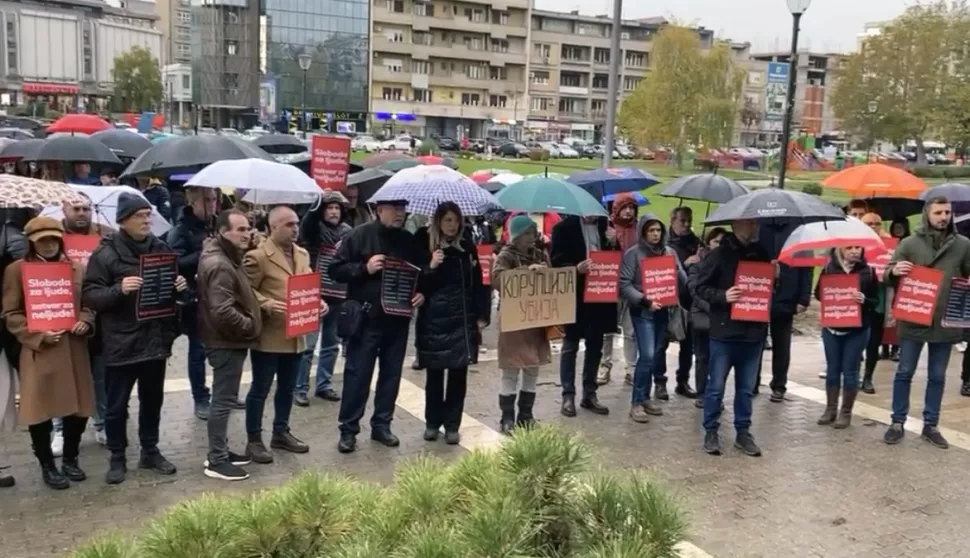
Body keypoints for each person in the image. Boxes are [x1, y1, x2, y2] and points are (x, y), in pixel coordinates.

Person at [82, 193, 187, 484]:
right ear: (123, 221)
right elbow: (90, 295)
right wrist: (119, 289)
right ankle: (117, 457)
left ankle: (150, 451)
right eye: (139, 215)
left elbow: (171, 287)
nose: (146, 220)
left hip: (155, 338)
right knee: (116, 406)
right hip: (121, 341)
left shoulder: (160, 247)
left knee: (152, 400)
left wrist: (179, 285)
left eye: (148, 215)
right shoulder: (105, 254)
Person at [2, 217, 95, 489]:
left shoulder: (76, 268)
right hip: (40, 350)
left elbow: (88, 304)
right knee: (39, 409)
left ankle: (71, 459)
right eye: (43, 240)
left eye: (54, 239)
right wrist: (38, 334)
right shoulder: (16, 270)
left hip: (73, 347)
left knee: (78, 408)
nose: (50, 244)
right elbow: (11, 314)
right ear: (31, 243)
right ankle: (47, 465)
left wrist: (85, 321)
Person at [329, 199, 426, 453]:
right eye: (395, 209)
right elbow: (335, 270)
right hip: (366, 318)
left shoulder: (409, 240)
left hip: (398, 319)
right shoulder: (359, 235)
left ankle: (382, 424)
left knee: (391, 374)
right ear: (380, 210)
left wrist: (421, 293)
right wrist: (365, 268)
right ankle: (348, 429)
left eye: (403, 209)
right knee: (358, 374)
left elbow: (422, 272)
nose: (400, 214)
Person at [882, 196, 970, 449]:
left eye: (947, 212)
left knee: (937, 376)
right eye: (939, 212)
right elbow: (888, 273)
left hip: (945, 321)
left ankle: (931, 424)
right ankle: (897, 422)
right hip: (914, 317)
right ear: (927, 214)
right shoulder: (910, 243)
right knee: (904, 372)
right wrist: (895, 272)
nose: (944, 217)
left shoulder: (963, 244)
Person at [242, 206, 315, 462]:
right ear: (273, 227)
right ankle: (253, 439)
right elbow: (244, 290)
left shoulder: (303, 254)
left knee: (287, 388)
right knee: (260, 388)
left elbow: (306, 284)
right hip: (269, 337)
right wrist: (265, 303)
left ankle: (280, 432)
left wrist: (318, 301)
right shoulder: (258, 257)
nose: (295, 229)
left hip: (297, 333)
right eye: (289, 224)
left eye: (296, 224)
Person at [694, 218, 772, 457]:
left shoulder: (762, 254)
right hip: (725, 332)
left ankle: (743, 432)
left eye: (757, 225)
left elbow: (766, 291)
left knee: (746, 389)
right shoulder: (719, 255)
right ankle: (710, 430)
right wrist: (723, 296)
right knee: (716, 387)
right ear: (738, 226)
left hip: (753, 333)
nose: (756, 228)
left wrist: (773, 277)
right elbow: (700, 287)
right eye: (752, 224)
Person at [414, 202, 489, 444]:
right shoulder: (423, 242)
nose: (452, 225)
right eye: (447, 220)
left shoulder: (467, 246)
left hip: (462, 319)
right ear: (438, 221)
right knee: (435, 374)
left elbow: (478, 282)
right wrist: (431, 266)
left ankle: (453, 424)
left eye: (455, 221)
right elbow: (415, 283)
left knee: (458, 374)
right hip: (434, 319)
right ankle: (432, 422)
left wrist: (481, 315)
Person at [197, 210, 263, 481]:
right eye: (240, 229)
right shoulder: (220, 264)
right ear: (223, 232)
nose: (247, 233)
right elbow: (222, 310)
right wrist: (250, 325)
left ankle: (220, 450)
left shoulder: (224, 256)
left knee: (223, 399)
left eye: (248, 228)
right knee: (222, 401)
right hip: (225, 342)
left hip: (225, 340)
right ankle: (217, 460)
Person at [619, 214, 686, 423]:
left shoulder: (670, 252)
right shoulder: (633, 254)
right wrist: (645, 300)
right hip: (643, 311)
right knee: (646, 355)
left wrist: (676, 270)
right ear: (643, 232)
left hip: (663, 311)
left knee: (655, 355)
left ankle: (645, 397)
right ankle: (636, 403)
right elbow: (624, 284)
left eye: (658, 230)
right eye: (651, 230)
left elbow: (682, 280)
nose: (655, 234)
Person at [551, 213, 617, 418]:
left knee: (595, 346)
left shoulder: (606, 227)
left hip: (600, 294)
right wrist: (575, 269)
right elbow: (555, 263)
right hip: (575, 295)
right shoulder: (563, 228)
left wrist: (614, 243)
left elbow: (615, 260)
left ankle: (590, 393)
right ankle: (568, 394)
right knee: (570, 346)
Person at [167, 186, 224, 420]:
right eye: (207, 200)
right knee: (198, 350)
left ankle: (223, 394)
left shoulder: (215, 225)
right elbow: (174, 263)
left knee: (222, 347)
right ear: (193, 202)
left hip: (217, 295)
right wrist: (203, 252)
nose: (212, 205)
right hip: (193, 298)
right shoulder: (180, 230)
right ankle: (200, 397)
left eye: (214, 200)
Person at [490, 215, 550, 435]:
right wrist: (524, 272)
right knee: (511, 368)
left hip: (535, 318)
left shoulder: (539, 254)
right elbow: (497, 279)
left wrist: (544, 271)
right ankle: (507, 417)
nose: (531, 238)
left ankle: (526, 414)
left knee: (532, 366)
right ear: (516, 236)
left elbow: (551, 279)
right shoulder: (505, 256)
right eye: (526, 233)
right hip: (513, 319)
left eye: (533, 233)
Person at [294, 189, 352, 406]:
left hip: (339, 296)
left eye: (337, 208)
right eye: (330, 208)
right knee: (308, 346)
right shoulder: (314, 231)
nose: (334, 212)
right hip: (315, 296)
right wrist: (318, 201)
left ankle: (324, 385)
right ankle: (299, 388)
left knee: (331, 345)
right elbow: (307, 223)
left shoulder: (348, 233)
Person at [815, 246, 878, 428]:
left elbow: (876, 301)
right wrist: (831, 290)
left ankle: (846, 412)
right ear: (840, 249)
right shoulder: (828, 269)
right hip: (832, 328)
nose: (854, 251)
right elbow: (818, 294)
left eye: (858, 247)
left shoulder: (869, 271)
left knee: (850, 371)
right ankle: (830, 409)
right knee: (833, 369)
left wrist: (864, 300)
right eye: (849, 247)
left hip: (857, 330)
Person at [756, 220, 812, 401]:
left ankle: (779, 385)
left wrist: (803, 298)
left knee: (782, 344)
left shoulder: (800, 231)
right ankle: (752, 381)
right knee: (755, 341)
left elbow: (807, 265)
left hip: (788, 292)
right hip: (759, 292)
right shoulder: (759, 226)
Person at [655, 207, 701, 399]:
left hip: (690, 300)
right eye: (682, 220)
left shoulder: (697, 242)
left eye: (689, 220)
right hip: (668, 299)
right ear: (672, 220)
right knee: (661, 343)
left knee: (688, 345)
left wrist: (700, 259)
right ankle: (659, 382)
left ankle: (683, 381)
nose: (686, 224)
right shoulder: (664, 243)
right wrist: (685, 264)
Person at [599, 194, 639, 386]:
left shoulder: (639, 229)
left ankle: (631, 368)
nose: (629, 211)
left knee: (630, 331)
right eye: (625, 207)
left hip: (631, 286)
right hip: (609, 285)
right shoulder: (606, 228)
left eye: (632, 207)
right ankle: (604, 364)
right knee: (606, 329)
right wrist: (610, 241)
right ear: (616, 209)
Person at [688, 227, 727, 409]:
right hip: (703, 316)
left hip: (723, 319)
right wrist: (712, 306)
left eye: (722, 242)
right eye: (716, 242)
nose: (719, 245)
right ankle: (702, 393)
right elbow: (694, 290)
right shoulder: (698, 262)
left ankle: (716, 395)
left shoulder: (729, 262)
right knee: (703, 357)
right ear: (708, 242)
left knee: (720, 359)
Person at [860, 212, 889, 394]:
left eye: (877, 223)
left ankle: (868, 377)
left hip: (877, 301)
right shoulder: (853, 245)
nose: (873, 226)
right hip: (856, 302)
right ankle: (852, 375)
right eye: (868, 223)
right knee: (855, 342)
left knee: (874, 342)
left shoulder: (888, 247)